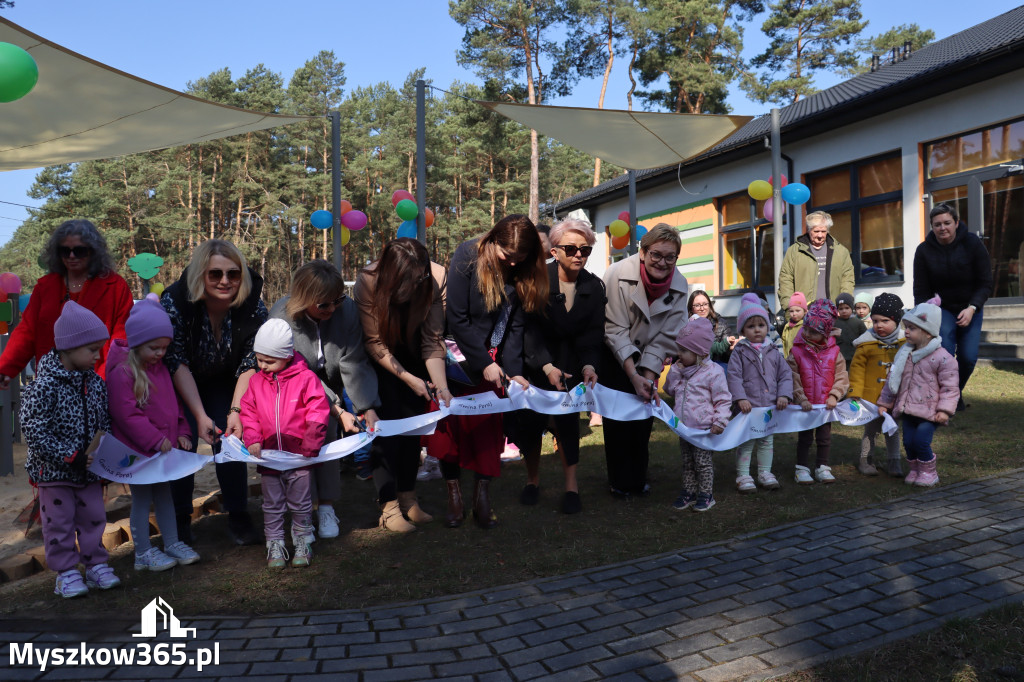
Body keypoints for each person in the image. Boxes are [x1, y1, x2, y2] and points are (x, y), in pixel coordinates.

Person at [431, 214, 545, 529]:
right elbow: (457, 316)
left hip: (495, 361)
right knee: (451, 431)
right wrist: (484, 363)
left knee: (488, 431)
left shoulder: (522, 268)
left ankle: (483, 494)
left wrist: (514, 370)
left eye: (519, 258)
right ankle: (453, 493)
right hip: (458, 359)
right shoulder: (467, 255)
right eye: (506, 256)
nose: (511, 263)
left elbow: (514, 325)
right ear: (493, 240)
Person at [160, 239, 267, 546]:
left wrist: (236, 411)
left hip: (226, 380)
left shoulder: (253, 305)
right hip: (181, 380)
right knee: (184, 442)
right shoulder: (176, 301)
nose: (225, 281)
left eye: (233, 274)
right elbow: (175, 359)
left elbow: (251, 361)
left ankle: (238, 515)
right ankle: (179, 521)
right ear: (200, 276)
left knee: (229, 437)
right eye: (215, 274)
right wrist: (198, 414)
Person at [271, 260, 380, 539]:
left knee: (328, 439)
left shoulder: (347, 311)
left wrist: (366, 406)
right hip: (290, 388)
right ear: (304, 298)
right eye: (323, 305)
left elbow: (354, 360)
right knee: (302, 448)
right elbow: (296, 370)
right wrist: (336, 408)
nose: (332, 309)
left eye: (337, 300)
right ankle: (303, 511)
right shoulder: (280, 318)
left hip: (327, 384)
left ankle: (327, 507)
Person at [19, 301, 120, 598]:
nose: (97, 355)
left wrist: (104, 456)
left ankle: (95, 565)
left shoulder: (96, 384)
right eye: (91, 350)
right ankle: (65, 573)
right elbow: (34, 428)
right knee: (58, 524)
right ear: (68, 348)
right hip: (54, 472)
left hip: (88, 471)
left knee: (93, 518)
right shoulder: (44, 385)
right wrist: (69, 455)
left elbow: (105, 422)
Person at [353, 239, 449, 532]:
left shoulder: (436, 278)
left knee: (413, 429)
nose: (414, 286)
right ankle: (388, 505)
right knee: (387, 432)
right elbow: (373, 342)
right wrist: (407, 377)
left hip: (417, 355)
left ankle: (408, 497)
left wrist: (441, 386)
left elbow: (433, 339)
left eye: (418, 278)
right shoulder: (367, 282)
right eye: (407, 281)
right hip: (382, 360)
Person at [518, 218, 605, 514]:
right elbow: (527, 331)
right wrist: (545, 366)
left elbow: (593, 333)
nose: (578, 254)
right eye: (571, 248)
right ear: (555, 251)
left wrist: (590, 365)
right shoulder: (535, 279)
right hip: (538, 364)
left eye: (585, 249)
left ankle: (572, 487)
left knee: (568, 425)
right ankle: (532, 480)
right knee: (531, 425)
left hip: (571, 365)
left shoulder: (595, 287)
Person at [107, 295, 199, 571]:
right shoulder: (123, 373)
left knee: (165, 496)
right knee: (142, 499)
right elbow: (127, 415)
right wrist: (155, 439)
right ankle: (143, 553)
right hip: (139, 453)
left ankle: (171, 542)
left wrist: (182, 430)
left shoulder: (159, 369)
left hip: (162, 450)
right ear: (137, 343)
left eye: (165, 348)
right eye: (154, 347)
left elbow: (174, 405)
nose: (161, 353)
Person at [602, 223, 688, 498]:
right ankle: (617, 482)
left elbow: (666, 337)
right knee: (616, 423)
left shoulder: (681, 285)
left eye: (670, 257)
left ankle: (637, 479)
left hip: (650, 359)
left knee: (642, 419)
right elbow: (614, 329)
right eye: (656, 255)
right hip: (614, 356)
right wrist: (632, 374)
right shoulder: (616, 274)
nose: (662, 262)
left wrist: (647, 377)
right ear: (643, 252)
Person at [240, 319, 330, 568]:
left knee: (301, 503)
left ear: (287, 355)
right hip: (269, 458)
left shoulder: (306, 379)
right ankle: (275, 543)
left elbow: (317, 410)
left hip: (299, 457)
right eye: (259, 360)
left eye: (269, 361)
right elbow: (248, 413)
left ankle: (302, 540)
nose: (263, 366)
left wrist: (311, 443)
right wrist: (254, 439)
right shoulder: (257, 383)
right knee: (272, 504)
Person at [0, 219, 132, 387]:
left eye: (79, 251)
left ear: (93, 251)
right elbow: (27, 333)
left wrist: (102, 383)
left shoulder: (115, 286)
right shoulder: (45, 287)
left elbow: (121, 342)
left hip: (99, 387)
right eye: (65, 251)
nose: (71, 256)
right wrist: (5, 368)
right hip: (52, 389)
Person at [913, 203, 992, 412]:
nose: (942, 228)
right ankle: (947, 398)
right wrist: (924, 316)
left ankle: (953, 392)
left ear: (956, 223)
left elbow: (985, 282)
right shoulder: (923, 251)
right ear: (932, 226)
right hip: (942, 310)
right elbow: (920, 290)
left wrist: (973, 307)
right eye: (937, 224)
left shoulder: (973, 244)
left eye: (947, 223)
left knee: (968, 358)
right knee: (944, 354)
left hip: (970, 307)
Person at [878, 296, 959, 487]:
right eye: (906, 327)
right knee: (908, 442)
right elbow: (893, 378)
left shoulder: (943, 358)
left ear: (928, 333)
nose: (906, 332)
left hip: (930, 411)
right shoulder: (904, 354)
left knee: (921, 441)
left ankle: (929, 473)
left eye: (912, 328)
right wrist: (884, 402)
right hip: (907, 409)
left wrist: (944, 410)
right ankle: (915, 470)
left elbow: (950, 386)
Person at [727, 294, 792, 493]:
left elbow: (785, 375)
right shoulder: (740, 351)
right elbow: (733, 376)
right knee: (747, 442)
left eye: (761, 325)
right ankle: (743, 475)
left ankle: (765, 472)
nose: (757, 329)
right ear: (743, 329)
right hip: (748, 407)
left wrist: (784, 395)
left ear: (767, 327)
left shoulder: (773, 350)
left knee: (766, 441)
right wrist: (740, 398)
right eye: (751, 326)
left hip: (768, 406)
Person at [665, 317, 731, 512]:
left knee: (702, 463)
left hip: (703, 429)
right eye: (679, 349)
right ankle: (689, 491)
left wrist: (720, 420)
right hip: (685, 428)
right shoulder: (682, 370)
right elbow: (670, 390)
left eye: (684, 350)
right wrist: (675, 372)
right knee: (687, 462)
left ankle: (706, 494)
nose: (679, 354)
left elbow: (723, 399)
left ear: (700, 352)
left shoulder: (714, 372)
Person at [788, 299, 850, 485]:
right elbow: (792, 376)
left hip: (825, 406)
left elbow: (841, 376)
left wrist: (834, 395)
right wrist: (800, 398)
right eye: (806, 329)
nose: (807, 333)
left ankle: (822, 466)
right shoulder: (797, 351)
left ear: (825, 332)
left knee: (824, 438)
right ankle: (802, 468)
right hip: (805, 406)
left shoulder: (834, 352)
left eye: (813, 331)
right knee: (805, 438)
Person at [848, 292, 906, 477]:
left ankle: (894, 461)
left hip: (894, 397)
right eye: (875, 321)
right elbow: (856, 370)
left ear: (896, 321)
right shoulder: (866, 344)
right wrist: (855, 391)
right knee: (870, 430)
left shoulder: (906, 343)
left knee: (892, 429)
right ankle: (866, 460)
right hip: (870, 398)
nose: (879, 325)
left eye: (885, 321)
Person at [777, 210, 855, 310]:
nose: (820, 235)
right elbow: (785, 280)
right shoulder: (794, 251)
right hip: (803, 313)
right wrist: (790, 308)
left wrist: (844, 305)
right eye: (816, 231)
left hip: (832, 312)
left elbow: (847, 279)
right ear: (809, 230)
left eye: (823, 231)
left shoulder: (841, 251)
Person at [688, 290, 735, 368]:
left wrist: (731, 347)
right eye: (697, 305)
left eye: (705, 304)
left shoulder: (721, 324)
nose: (702, 308)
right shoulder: (686, 325)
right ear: (691, 308)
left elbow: (727, 356)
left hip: (717, 366)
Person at [832, 292, 862, 367]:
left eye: (847, 308)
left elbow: (864, 338)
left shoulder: (858, 322)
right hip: (838, 358)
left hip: (855, 357)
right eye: (841, 309)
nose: (844, 311)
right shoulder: (834, 323)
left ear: (852, 308)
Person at [781, 292, 807, 358]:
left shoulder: (806, 326)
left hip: (802, 362)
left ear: (805, 311)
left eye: (798, 311)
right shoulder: (787, 326)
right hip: (788, 362)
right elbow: (784, 344)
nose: (794, 314)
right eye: (791, 311)